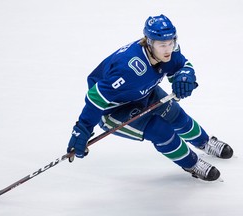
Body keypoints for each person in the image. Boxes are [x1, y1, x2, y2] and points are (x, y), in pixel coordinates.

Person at [66, 14, 233, 181]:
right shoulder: (128, 68)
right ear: (149, 42)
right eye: (162, 45)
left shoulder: (169, 50)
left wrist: (183, 77)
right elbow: (96, 97)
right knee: (160, 131)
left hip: (144, 91)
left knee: (177, 116)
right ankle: (192, 163)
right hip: (115, 109)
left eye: (171, 42)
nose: (168, 49)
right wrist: (83, 129)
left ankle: (204, 142)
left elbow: (182, 65)